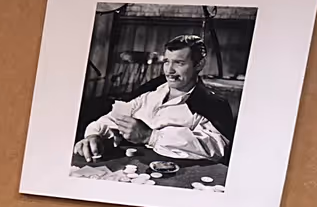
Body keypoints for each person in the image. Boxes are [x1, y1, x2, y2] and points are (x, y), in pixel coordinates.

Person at [76, 35, 236, 164]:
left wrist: (150, 136)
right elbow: (116, 118)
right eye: (166, 62)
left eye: (179, 63)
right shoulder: (151, 91)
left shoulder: (212, 104)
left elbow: (216, 148)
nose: (169, 70)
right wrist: (94, 135)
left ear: (199, 65)